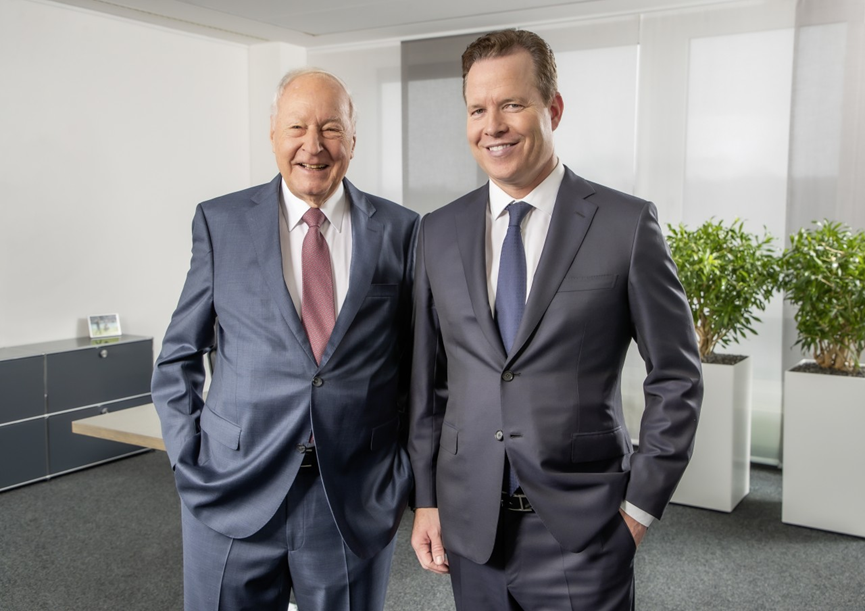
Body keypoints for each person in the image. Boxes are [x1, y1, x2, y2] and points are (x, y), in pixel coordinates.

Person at [408, 29, 703, 610]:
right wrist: (426, 498)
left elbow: (677, 376)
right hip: (472, 532)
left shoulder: (625, 225)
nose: (493, 126)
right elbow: (429, 383)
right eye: (477, 109)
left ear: (554, 109)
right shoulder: (437, 231)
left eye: (512, 104)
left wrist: (638, 511)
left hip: (585, 535)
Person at [152, 68, 419, 611]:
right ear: (273, 134)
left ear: (353, 138)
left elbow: (419, 367)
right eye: (297, 127)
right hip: (231, 488)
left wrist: (402, 476)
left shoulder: (402, 229)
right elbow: (178, 356)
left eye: (331, 128)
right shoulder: (220, 222)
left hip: (350, 496)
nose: (312, 145)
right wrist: (188, 462)